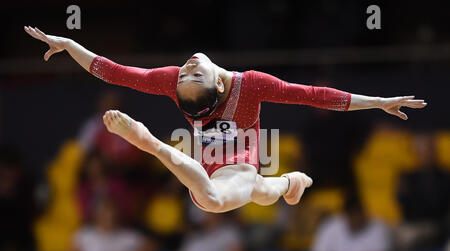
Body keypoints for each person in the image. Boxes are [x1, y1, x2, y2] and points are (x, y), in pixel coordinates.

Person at [25, 27, 427, 213]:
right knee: (246, 193)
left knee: (234, 194)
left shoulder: (250, 85)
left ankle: (289, 182)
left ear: (219, 84)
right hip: (212, 171)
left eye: (188, 74)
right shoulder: (195, 83)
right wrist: (69, 46)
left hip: (234, 169)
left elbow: (312, 96)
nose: (186, 68)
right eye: (187, 74)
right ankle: (291, 182)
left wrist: (377, 101)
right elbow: (114, 72)